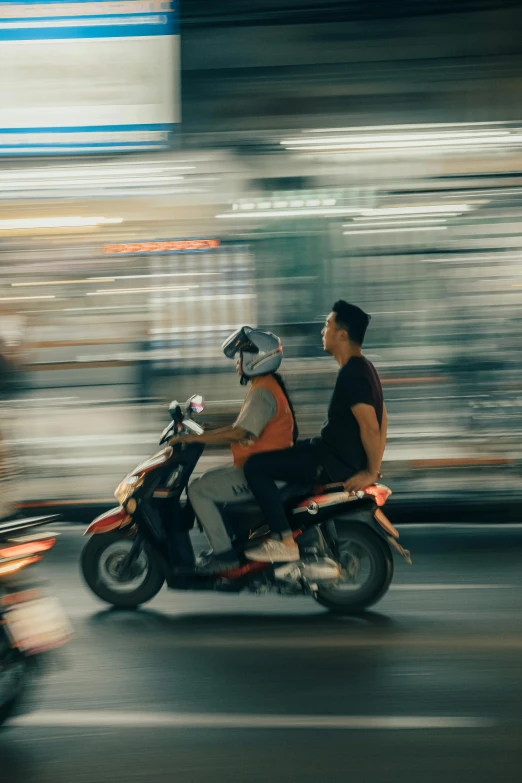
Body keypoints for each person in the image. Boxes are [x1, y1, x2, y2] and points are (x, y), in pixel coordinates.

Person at [243, 300, 387, 564]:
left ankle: (284, 541)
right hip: (328, 454)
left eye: (327, 325)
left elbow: (370, 426)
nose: (323, 331)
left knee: (255, 466)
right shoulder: (364, 368)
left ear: (342, 335)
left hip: (329, 462)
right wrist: (372, 466)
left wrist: (369, 472)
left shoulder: (352, 374)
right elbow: (382, 420)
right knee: (286, 456)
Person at [168, 326, 298, 573]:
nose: (237, 363)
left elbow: (240, 433)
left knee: (198, 490)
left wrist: (199, 438)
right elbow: (242, 427)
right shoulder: (264, 386)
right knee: (205, 481)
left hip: (261, 473)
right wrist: (206, 429)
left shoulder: (263, 391)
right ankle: (229, 543)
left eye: (240, 357)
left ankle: (224, 556)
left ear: (255, 359)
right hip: (258, 468)